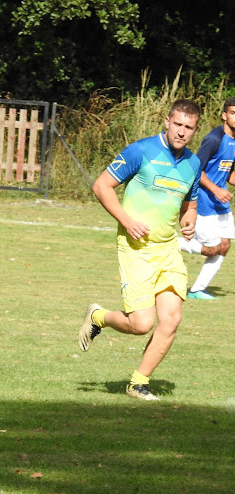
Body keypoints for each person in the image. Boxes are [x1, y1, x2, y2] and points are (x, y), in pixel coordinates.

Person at [78, 99, 202, 401]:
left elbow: (191, 201)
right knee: (141, 324)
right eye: (178, 125)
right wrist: (127, 220)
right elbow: (101, 186)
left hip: (168, 250)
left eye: (189, 128)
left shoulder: (193, 164)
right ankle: (99, 317)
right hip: (136, 250)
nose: (182, 132)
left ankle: (138, 383)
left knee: (171, 319)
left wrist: (189, 219)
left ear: (195, 130)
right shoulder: (141, 150)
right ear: (166, 121)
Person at [178, 97, 235, 299]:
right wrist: (216, 189)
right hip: (204, 201)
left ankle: (197, 290)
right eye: (233, 113)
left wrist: (223, 187)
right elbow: (197, 169)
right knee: (211, 249)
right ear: (224, 115)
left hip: (220, 203)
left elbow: (228, 173)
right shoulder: (214, 139)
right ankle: (170, 244)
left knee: (225, 245)